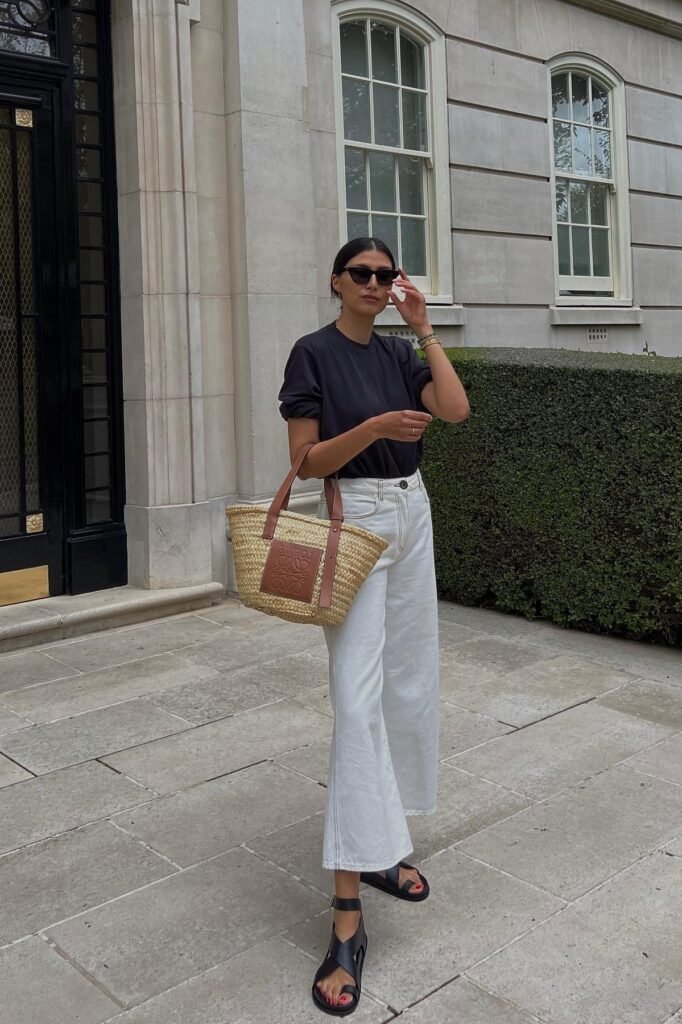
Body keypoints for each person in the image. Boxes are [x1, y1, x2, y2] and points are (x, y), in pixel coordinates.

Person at [278, 237, 470, 1016]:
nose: (374, 282)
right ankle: (347, 910)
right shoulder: (312, 353)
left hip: (411, 513)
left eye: (386, 274)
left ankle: (384, 847)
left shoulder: (398, 351)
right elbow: (307, 461)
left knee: (408, 687)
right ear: (336, 280)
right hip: (351, 518)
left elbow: (455, 409)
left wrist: (424, 327)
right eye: (361, 273)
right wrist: (375, 429)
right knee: (357, 707)